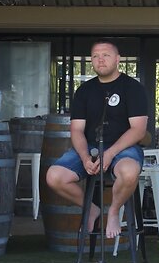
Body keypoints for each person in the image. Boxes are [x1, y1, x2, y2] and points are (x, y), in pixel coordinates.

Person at [46, 39, 148, 239]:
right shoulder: (84, 91)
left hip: (124, 147)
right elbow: (76, 130)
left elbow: (138, 130)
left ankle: (113, 211)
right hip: (91, 146)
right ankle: (91, 209)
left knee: (129, 173)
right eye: (95, 56)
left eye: (106, 55)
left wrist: (110, 153)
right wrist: (84, 157)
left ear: (118, 59)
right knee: (54, 176)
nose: (100, 60)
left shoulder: (132, 88)